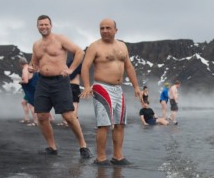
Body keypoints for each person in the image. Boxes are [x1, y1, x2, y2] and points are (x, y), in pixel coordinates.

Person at [80, 18, 141, 166]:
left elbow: (129, 67)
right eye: (102, 28)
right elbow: (85, 66)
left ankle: (117, 156)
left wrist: (136, 87)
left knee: (120, 124)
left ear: (115, 30)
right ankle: (100, 157)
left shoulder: (122, 46)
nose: (105, 31)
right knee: (104, 124)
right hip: (102, 87)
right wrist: (87, 86)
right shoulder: (94, 46)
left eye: (108, 28)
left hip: (118, 89)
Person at [29, 14, 92, 158]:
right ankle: (52, 147)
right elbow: (34, 62)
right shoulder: (36, 44)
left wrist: (70, 69)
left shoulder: (60, 39)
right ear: (37, 27)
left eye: (46, 24)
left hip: (60, 81)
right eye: (41, 25)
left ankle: (83, 146)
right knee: (42, 116)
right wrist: (32, 68)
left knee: (68, 115)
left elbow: (79, 52)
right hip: (43, 81)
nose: (44, 27)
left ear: (51, 25)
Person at [18, 57, 39, 126]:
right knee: (23, 102)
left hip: (31, 89)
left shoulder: (25, 69)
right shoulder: (30, 67)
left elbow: (26, 81)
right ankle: (27, 118)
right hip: (34, 87)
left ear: (20, 64)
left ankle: (36, 122)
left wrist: (20, 82)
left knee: (32, 105)